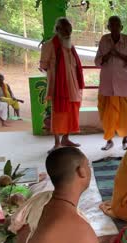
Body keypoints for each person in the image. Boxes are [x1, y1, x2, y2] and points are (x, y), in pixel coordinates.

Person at [13, 147, 114, 243]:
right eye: (87, 164)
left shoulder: (37, 206)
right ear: (81, 171)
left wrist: (108, 240)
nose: (89, 169)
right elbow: (76, 239)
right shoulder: (78, 228)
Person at [40, 17, 85, 153]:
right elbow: (43, 65)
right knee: (58, 113)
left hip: (73, 85)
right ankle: (57, 143)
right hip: (59, 87)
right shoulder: (49, 45)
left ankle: (66, 138)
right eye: (65, 31)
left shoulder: (70, 45)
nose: (68, 33)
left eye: (69, 31)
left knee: (72, 112)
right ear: (58, 30)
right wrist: (56, 75)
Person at [95, 16, 127, 151]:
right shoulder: (104, 40)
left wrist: (119, 54)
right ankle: (109, 141)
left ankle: (125, 140)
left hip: (125, 86)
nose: (114, 28)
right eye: (111, 25)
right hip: (107, 87)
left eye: (117, 25)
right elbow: (97, 61)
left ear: (121, 27)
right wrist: (109, 54)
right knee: (107, 116)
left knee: (126, 116)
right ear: (108, 27)